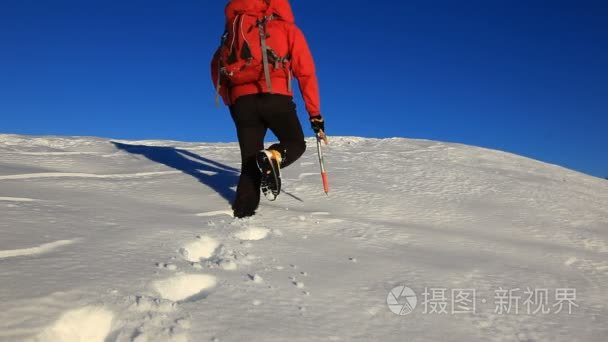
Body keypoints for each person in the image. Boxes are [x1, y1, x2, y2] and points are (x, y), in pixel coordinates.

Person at [211, 0, 325, 218]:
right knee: (294, 144)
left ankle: (243, 212)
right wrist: (315, 114)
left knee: (250, 159)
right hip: (275, 97)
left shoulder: (233, 30)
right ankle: (274, 156)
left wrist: (230, 99)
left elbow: (215, 66)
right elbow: (306, 72)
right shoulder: (285, 28)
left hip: (241, 103)